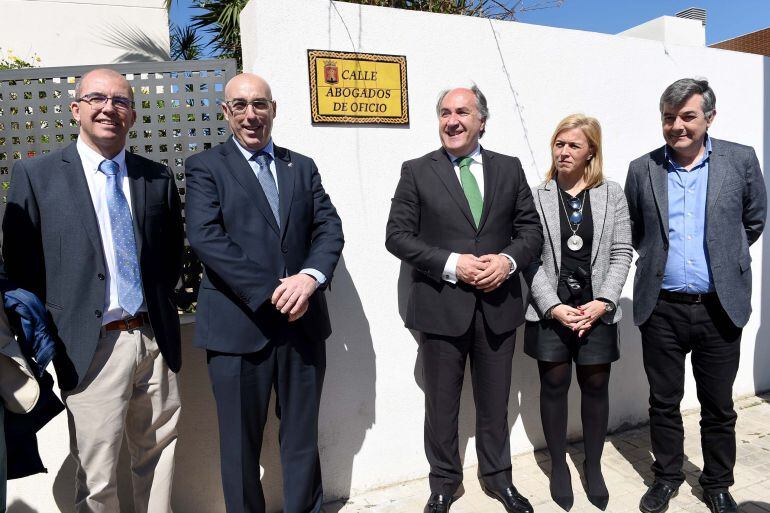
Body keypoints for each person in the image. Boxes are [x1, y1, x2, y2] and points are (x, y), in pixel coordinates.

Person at [1, 68, 184, 512]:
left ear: (133, 114)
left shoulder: (155, 177)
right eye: (97, 98)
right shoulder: (36, 175)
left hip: (153, 339)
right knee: (97, 473)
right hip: (89, 346)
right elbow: (22, 269)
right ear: (76, 109)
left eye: (120, 100)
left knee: (158, 459)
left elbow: (171, 256)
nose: (109, 108)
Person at [184, 73, 343, 513]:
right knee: (238, 447)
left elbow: (329, 227)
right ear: (226, 112)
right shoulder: (205, 167)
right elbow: (206, 238)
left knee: (301, 439)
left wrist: (309, 278)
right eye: (240, 106)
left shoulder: (302, 165)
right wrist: (276, 291)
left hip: (303, 325)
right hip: (238, 329)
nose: (251, 115)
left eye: (259, 104)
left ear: (274, 109)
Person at [385, 85, 543, 513]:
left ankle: (498, 480)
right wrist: (454, 263)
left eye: (461, 112)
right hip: (439, 308)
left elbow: (531, 232)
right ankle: (443, 484)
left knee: (496, 401)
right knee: (441, 404)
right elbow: (397, 237)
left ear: (481, 122)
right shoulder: (417, 171)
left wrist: (507, 263)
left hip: (498, 307)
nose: (451, 120)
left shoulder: (509, 170)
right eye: (444, 113)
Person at [625, 78, 766, 513]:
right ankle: (666, 477)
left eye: (687, 116)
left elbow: (754, 219)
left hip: (719, 306)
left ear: (709, 117)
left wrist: (723, 259)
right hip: (662, 306)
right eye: (669, 118)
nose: (677, 126)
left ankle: (718, 483)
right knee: (664, 402)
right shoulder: (642, 168)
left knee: (718, 406)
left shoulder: (740, 160)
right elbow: (635, 229)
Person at [523, 114, 632, 511]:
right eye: (559, 144)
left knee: (596, 388)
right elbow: (528, 259)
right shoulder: (537, 196)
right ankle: (558, 467)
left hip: (596, 312)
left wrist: (603, 301)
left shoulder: (612, 194)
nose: (564, 151)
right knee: (553, 387)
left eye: (573, 145)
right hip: (552, 312)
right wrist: (551, 306)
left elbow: (622, 252)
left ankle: (594, 465)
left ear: (591, 151)